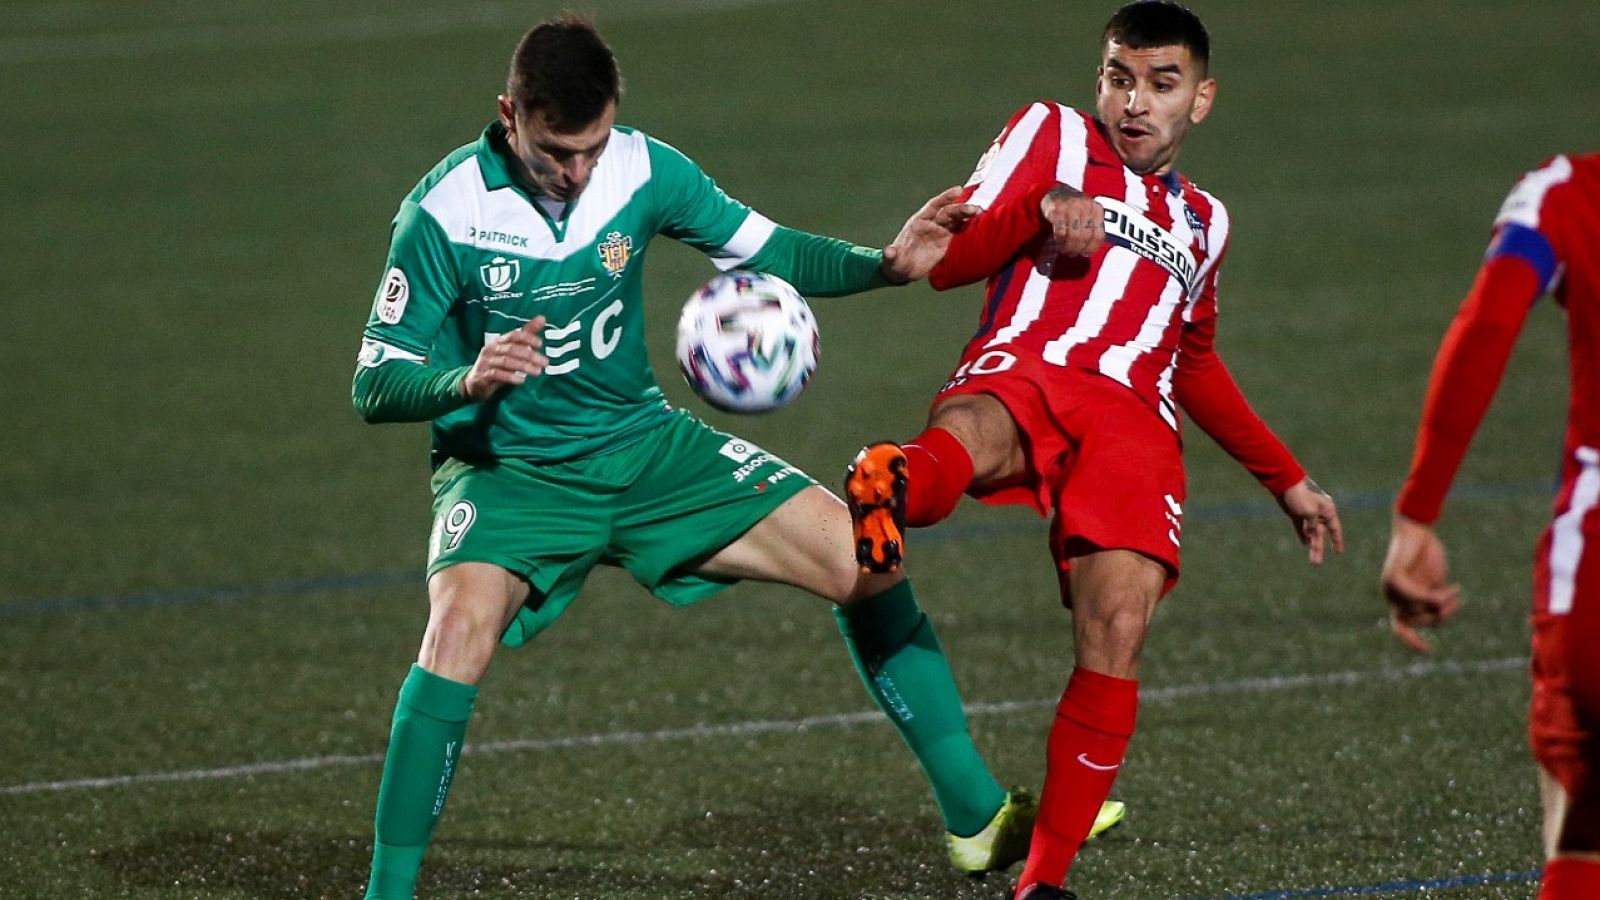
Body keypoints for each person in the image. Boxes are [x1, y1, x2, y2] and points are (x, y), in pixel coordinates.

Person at [350, 15, 1125, 899]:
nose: (576, 172)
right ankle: (388, 891)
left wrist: (886, 264)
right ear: (509, 114)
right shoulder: (443, 211)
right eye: (556, 151)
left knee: (867, 556)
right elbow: (375, 382)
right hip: (509, 474)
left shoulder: (643, 169)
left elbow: (771, 250)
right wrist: (463, 380)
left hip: (645, 451)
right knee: (454, 636)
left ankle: (976, 817)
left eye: (592, 148)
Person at [841, 3, 1343, 898]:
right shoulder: (1053, 132)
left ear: (1202, 98)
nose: (1136, 104)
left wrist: (1287, 479)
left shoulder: (1207, 224)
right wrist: (1042, 203)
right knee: (967, 441)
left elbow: (1196, 362)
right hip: (1031, 361)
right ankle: (892, 480)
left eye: (1162, 84)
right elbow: (953, 263)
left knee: (1117, 630)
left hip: (1136, 422)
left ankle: (1044, 883)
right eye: (1120, 78)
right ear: (1098, 80)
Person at [1382, 152, 1600, 899]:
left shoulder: (1566, 193)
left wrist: (1417, 514)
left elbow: (1490, 320)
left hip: (1593, 577)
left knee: (1581, 822)